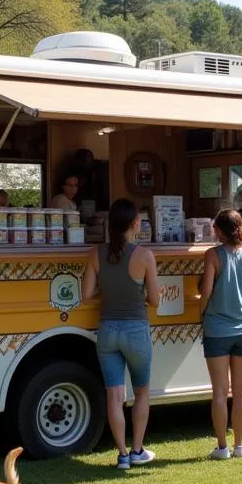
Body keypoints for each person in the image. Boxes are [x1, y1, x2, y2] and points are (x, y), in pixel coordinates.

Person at [82, 198, 159, 469]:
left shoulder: (95, 253)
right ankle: (138, 450)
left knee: (114, 396)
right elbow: (156, 299)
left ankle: (122, 455)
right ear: (135, 223)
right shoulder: (144, 255)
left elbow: (86, 295)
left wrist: (108, 291)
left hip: (107, 331)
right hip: (136, 329)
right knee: (141, 393)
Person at [199, 209, 242, 460]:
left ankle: (222, 446)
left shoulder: (212, 255)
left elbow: (207, 291)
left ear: (219, 231)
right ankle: (240, 445)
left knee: (220, 392)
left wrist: (201, 314)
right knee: (241, 392)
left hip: (218, 329)